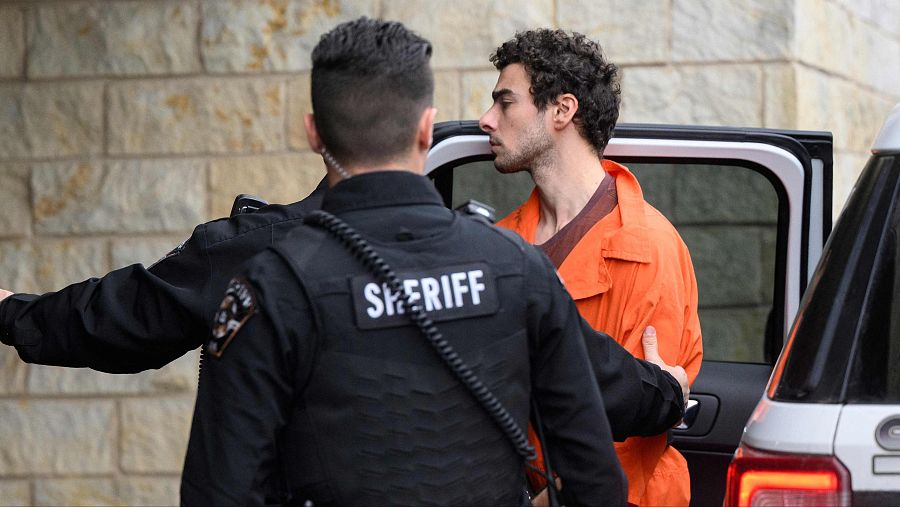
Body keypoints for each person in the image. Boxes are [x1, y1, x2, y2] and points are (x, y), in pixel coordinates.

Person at [180, 17, 624, 505]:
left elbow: (219, 491)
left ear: (314, 133)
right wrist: (666, 392)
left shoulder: (269, 286)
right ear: (425, 129)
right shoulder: (517, 267)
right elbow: (594, 479)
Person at [480, 29, 703, 506]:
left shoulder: (646, 246)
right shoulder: (497, 244)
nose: (487, 120)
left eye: (505, 102)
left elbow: (628, 422)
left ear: (562, 110)